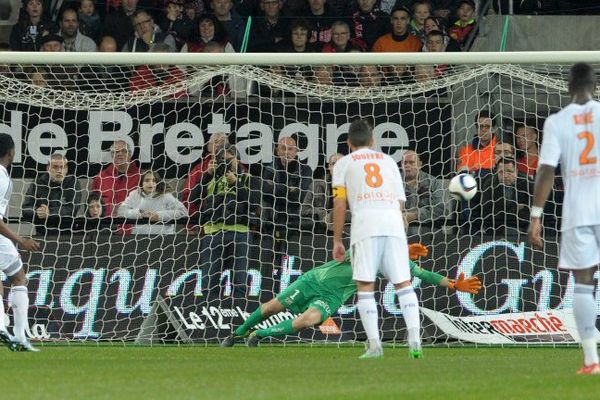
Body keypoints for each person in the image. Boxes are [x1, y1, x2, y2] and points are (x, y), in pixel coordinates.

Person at [221, 244, 482, 347]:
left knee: (307, 320)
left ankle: (258, 335)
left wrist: (453, 285)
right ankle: (239, 332)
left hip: (334, 296)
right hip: (313, 281)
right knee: (270, 308)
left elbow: (425, 275)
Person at [528, 62, 600, 375]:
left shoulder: (557, 121)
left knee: (583, 284)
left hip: (578, 213)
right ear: (595, 86)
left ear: (568, 87)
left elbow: (545, 170)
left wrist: (536, 215)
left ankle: (591, 360)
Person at [331, 119, 420, 359]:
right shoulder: (389, 161)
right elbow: (401, 202)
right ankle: (415, 341)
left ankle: (375, 345)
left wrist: (337, 239)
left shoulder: (343, 164)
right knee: (403, 283)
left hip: (365, 226)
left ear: (349, 143)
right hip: (393, 223)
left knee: (365, 286)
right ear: (373, 141)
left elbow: (340, 203)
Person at [189, 143, 256, 296]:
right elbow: (193, 199)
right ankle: (208, 314)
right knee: (209, 280)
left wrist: (235, 183)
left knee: (240, 280)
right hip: (213, 231)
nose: (225, 163)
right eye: (221, 160)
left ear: (238, 160)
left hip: (240, 233)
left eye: (229, 159)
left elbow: (254, 203)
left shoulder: (247, 178)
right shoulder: (209, 178)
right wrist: (207, 175)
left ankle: (238, 314)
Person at [0, 133, 41, 352]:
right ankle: (19, 336)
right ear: (10, 152)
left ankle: (2, 328)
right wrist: (20, 239)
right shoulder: (2, 178)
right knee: (18, 278)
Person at [21, 153, 81, 236]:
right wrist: (37, 211)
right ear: (48, 168)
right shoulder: (37, 183)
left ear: (66, 169)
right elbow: (25, 209)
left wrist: (50, 212)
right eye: (55, 167)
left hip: (67, 234)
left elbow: (71, 210)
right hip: (42, 233)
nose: (59, 170)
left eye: (62, 167)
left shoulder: (73, 183)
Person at [118, 170, 187, 235]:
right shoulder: (134, 194)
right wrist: (139, 213)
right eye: (147, 180)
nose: (150, 183)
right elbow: (121, 211)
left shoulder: (166, 196)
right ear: (141, 183)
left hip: (164, 239)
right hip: (138, 238)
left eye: (154, 181)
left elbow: (183, 212)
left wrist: (159, 216)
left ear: (158, 183)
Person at [301, 153, 350, 234]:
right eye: (334, 164)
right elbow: (303, 210)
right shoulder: (315, 185)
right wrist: (320, 212)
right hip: (321, 234)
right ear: (329, 167)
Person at [91, 140, 141, 219]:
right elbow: (92, 203)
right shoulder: (100, 178)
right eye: (116, 152)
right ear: (112, 155)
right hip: (106, 226)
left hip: (133, 226)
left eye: (124, 151)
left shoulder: (141, 177)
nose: (120, 154)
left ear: (130, 154)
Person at [401, 150, 446, 235]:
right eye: (405, 163)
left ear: (420, 164)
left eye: (411, 162)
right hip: (402, 232)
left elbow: (441, 209)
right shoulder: (394, 182)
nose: (407, 165)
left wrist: (415, 215)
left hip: (430, 232)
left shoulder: (433, 182)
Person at [372, 7, 422, 83]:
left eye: (402, 19)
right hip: (384, 84)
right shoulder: (380, 42)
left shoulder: (416, 43)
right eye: (396, 18)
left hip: (410, 84)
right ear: (391, 20)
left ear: (408, 21)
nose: (399, 22)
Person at [456, 110, 498, 175]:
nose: (483, 130)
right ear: (476, 128)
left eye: (487, 126)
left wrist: (474, 172)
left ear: (494, 129)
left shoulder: (500, 149)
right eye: (480, 126)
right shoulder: (465, 151)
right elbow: (463, 175)